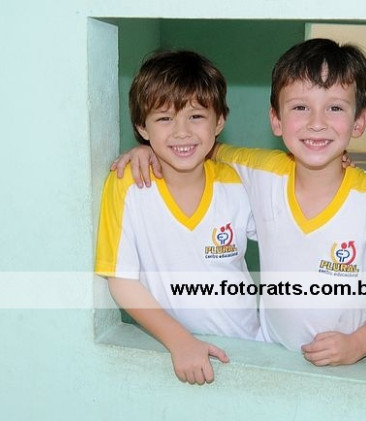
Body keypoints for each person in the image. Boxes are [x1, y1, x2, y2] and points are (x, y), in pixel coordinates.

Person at [113, 39, 366, 366]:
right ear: (276, 120)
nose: (317, 123)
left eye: (335, 108)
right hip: (273, 359)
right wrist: (146, 150)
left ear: (359, 121)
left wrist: (358, 344)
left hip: (360, 366)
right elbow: (199, 146)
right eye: (300, 108)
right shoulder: (258, 172)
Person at [95, 50, 259, 385]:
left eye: (196, 116)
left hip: (250, 348)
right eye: (164, 119)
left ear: (219, 121)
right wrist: (179, 341)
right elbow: (122, 281)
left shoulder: (238, 183)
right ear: (142, 126)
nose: (182, 132)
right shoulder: (127, 185)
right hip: (178, 352)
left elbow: (291, 235)